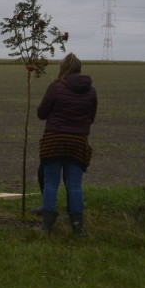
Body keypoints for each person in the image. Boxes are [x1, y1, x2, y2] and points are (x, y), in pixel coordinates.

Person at [36, 54, 98, 236]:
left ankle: (46, 227)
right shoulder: (91, 91)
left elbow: (41, 113)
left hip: (54, 141)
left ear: (63, 68)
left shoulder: (55, 88)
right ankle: (78, 228)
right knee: (75, 185)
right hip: (78, 142)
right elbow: (91, 118)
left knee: (51, 183)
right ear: (80, 68)